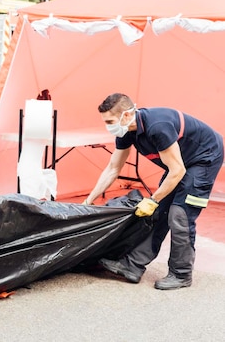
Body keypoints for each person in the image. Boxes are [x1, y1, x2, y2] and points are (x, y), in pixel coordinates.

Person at [83, 93, 223, 290]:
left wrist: (153, 199)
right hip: (181, 162)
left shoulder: (158, 127)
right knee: (159, 213)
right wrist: (88, 201)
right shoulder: (126, 132)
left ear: (126, 115)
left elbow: (177, 170)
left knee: (179, 214)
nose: (108, 126)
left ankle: (181, 274)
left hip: (204, 159)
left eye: (110, 121)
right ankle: (132, 266)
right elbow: (113, 168)